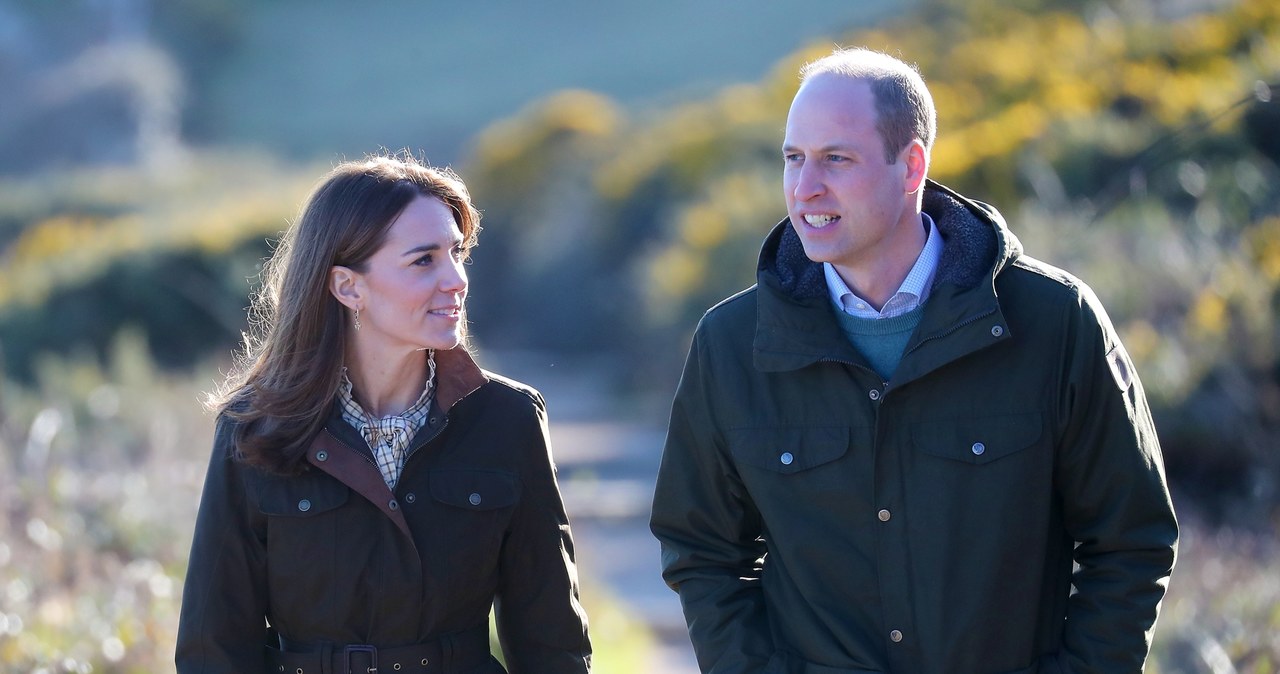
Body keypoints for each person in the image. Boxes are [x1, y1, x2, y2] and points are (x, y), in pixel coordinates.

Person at [650, 48, 1178, 673]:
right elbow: (701, 550)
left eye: (835, 159)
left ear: (912, 165)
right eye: (793, 159)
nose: (804, 187)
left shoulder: (1056, 320)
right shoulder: (732, 342)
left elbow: (1130, 539)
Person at [177, 153, 592, 673]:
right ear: (349, 287)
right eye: (424, 260)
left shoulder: (508, 419)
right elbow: (212, 648)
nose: (456, 279)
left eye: (457, 253)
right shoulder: (255, 429)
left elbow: (551, 640)